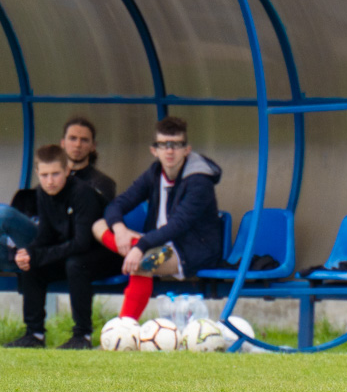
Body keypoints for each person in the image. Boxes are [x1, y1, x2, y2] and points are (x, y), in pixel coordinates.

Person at [92, 116, 222, 321]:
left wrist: (140, 247)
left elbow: (179, 224)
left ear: (186, 149)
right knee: (99, 225)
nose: (169, 151)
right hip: (155, 242)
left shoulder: (199, 181)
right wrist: (121, 231)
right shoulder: (154, 173)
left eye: (176, 145)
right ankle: (134, 251)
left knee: (144, 264)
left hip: (189, 248)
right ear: (154, 150)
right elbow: (118, 204)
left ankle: (125, 327)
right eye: (163, 145)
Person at [3, 145, 122, 349]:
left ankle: (82, 335)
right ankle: (35, 334)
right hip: (74, 254)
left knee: (76, 264)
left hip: (107, 255)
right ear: (37, 173)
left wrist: (39, 255)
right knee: (34, 265)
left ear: (67, 171)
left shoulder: (82, 193)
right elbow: (45, 236)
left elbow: (82, 243)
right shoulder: (42, 193)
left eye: (56, 174)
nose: (50, 181)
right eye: (45, 175)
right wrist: (30, 253)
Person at [0, 117, 116, 271]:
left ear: (93, 146)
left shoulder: (101, 183)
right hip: (31, 245)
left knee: (4, 214)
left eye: (84, 140)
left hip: (58, 248)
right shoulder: (48, 180)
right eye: (72, 138)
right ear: (63, 143)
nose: (77, 144)